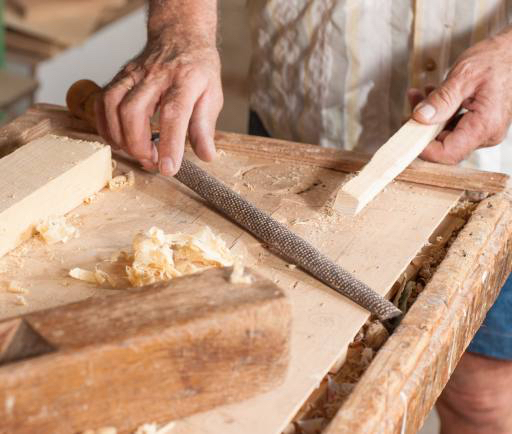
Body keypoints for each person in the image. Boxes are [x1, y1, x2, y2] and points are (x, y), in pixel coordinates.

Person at [95, 2, 512, 433]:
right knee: (285, 381)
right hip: (303, 117)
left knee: (480, 400)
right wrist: (181, 30)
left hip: (491, 158)